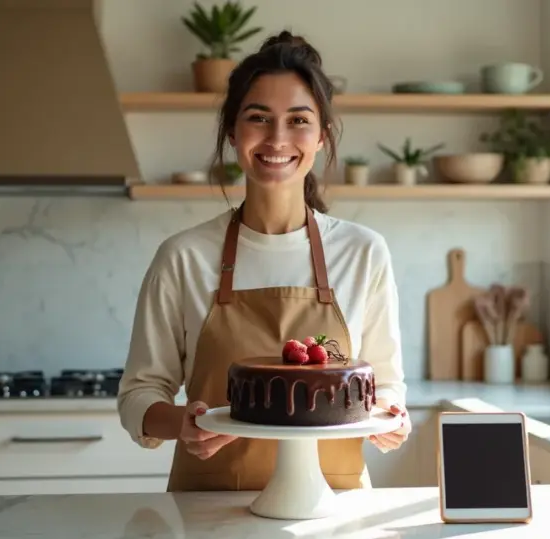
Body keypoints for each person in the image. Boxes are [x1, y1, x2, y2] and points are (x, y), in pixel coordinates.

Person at [117, 30, 409, 492]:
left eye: (298, 120)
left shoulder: (363, 253)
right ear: (233, 132)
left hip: (332, 511)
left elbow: (386, 387)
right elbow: (138, 397)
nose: (277, 138)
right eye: (259, 118)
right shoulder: (183, 257)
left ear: (321, 136)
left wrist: (391, 418)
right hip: (209, 511)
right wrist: (181, 424)